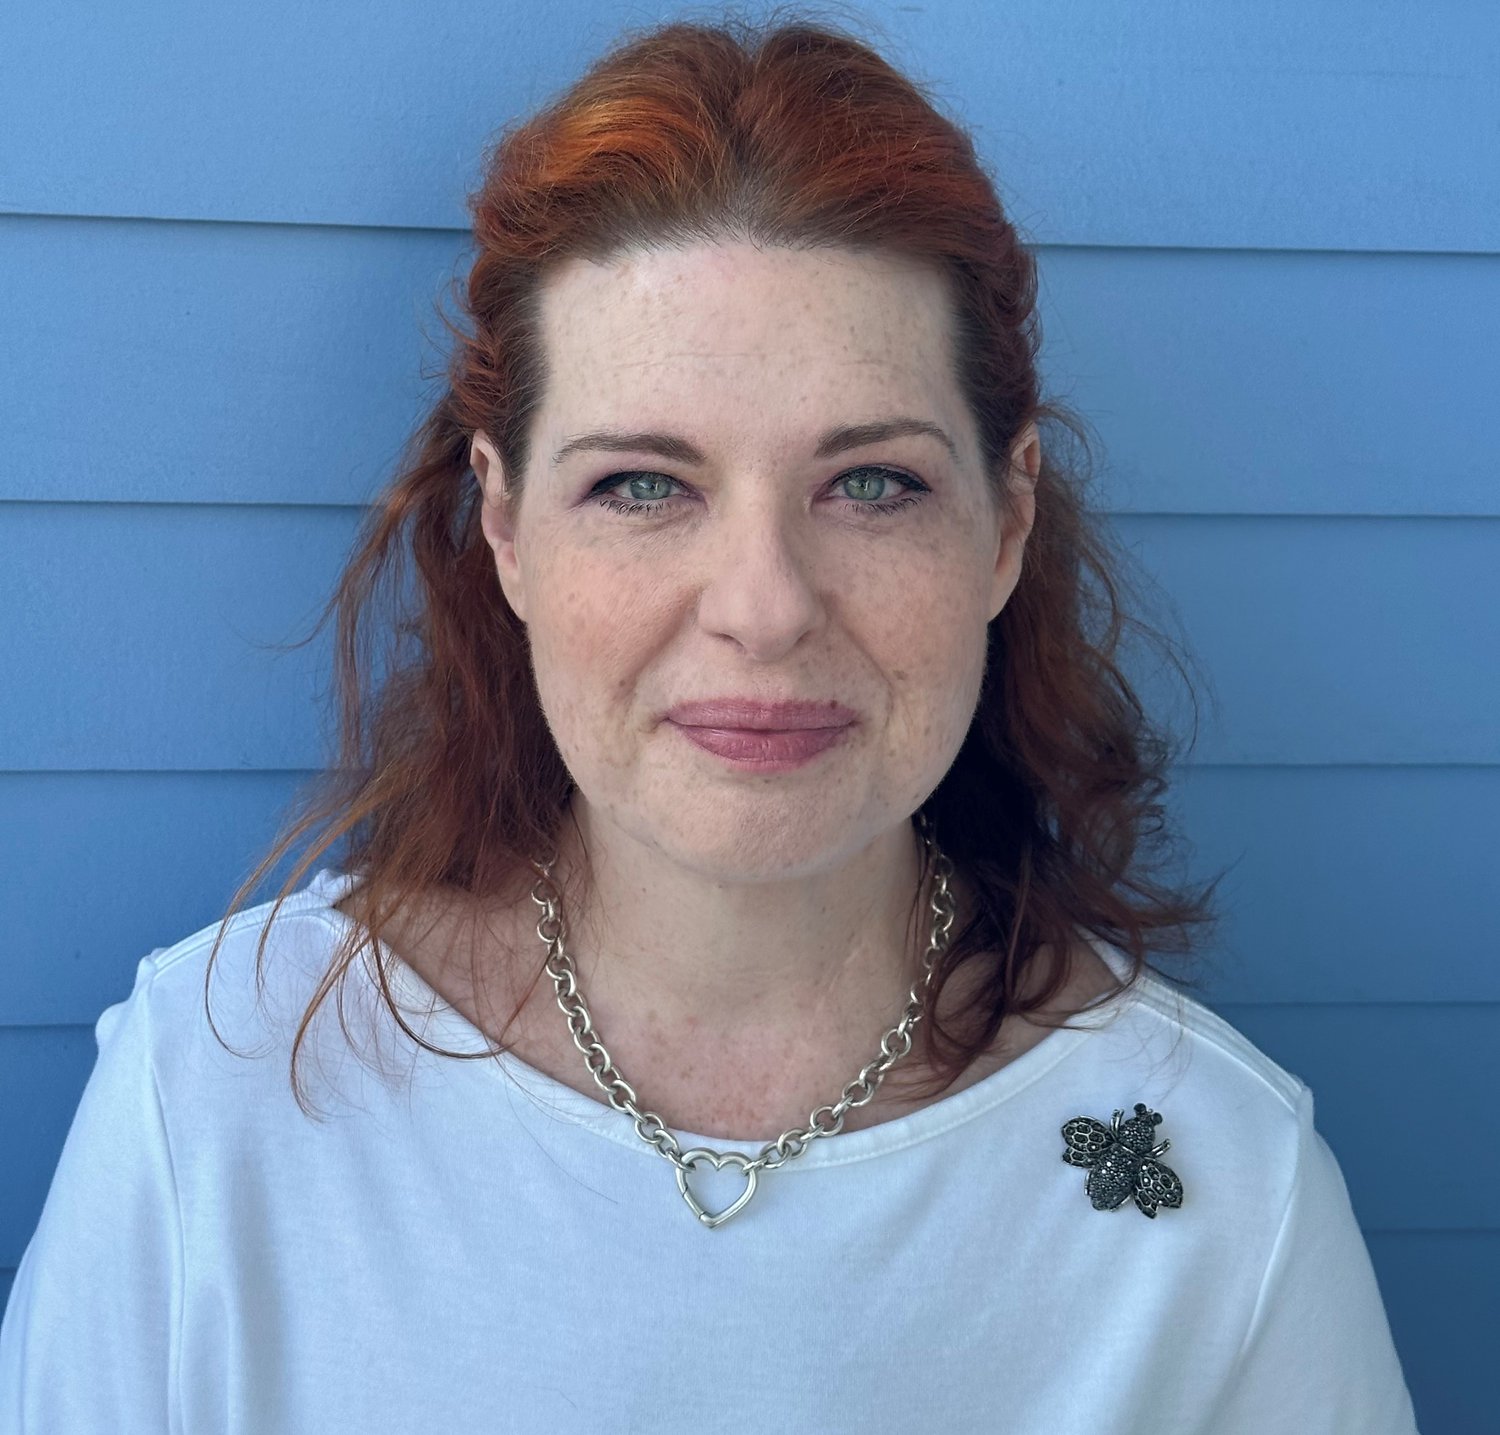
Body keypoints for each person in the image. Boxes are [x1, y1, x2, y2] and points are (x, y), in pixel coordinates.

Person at [0, 13, 1420, 1433]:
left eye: (872, 484)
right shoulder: (220, 1102)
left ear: (1007, 522)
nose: (763, 606)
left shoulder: (1221, 1194)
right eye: (641, 485)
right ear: (506, 527)